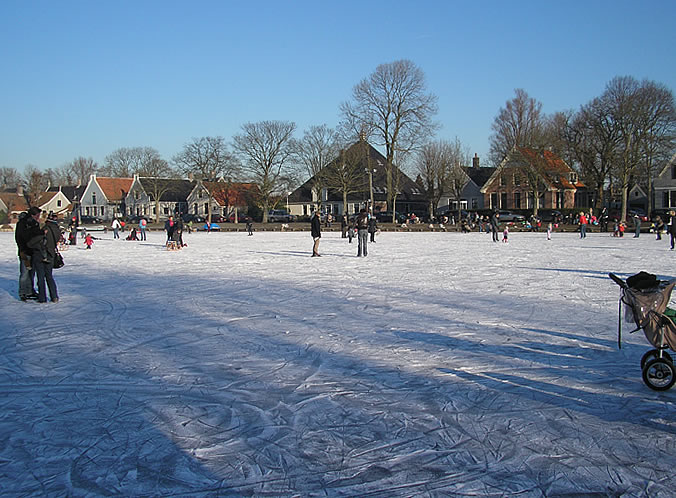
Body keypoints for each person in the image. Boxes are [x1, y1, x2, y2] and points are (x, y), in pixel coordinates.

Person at [32, 212, 60, 303]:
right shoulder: (57, 230)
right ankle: (54, 296)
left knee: (40, 277)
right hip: (51, 254)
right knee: (49, 276)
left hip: (41, 254)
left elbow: (36, 241)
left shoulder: (45, 229)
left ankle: (42, 297)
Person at [15, 208, 40, 301]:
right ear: (33, 215)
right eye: (37, 215)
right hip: (25, 252)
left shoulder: (34, 223)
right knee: (24, 273)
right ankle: (22, 292)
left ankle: (29, 291)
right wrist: (23, 249)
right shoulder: (23, 224)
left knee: (31, 273)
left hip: (33, 251)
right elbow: (21, 238)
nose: (39, 217)